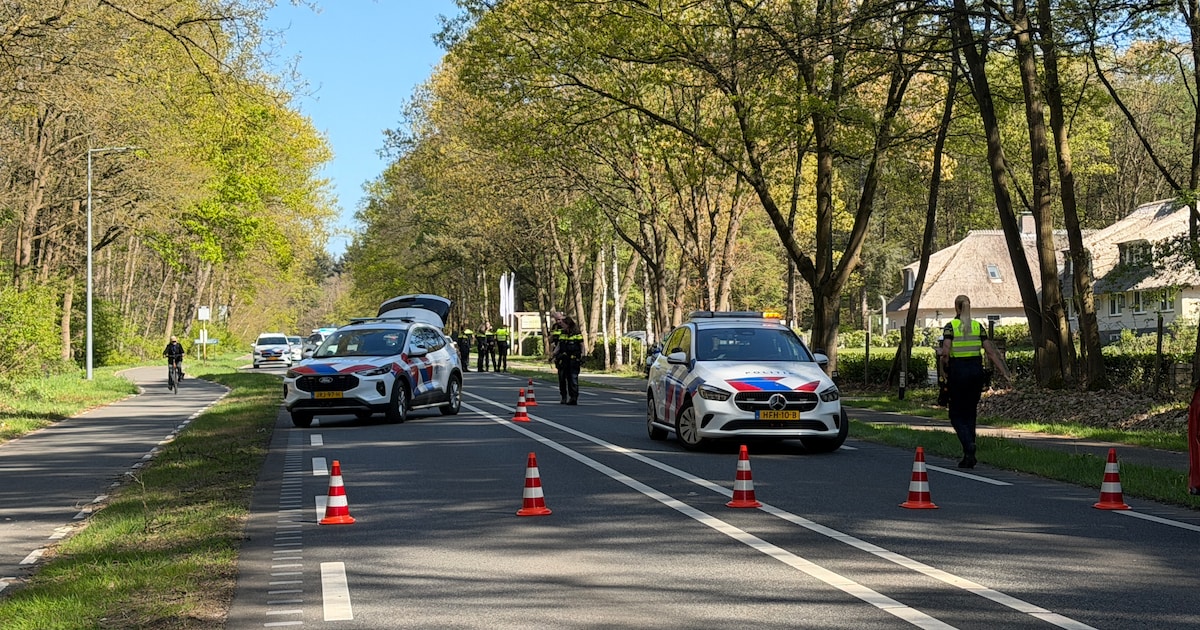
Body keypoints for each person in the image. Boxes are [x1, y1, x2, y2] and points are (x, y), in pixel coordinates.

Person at [940, 295, 1011, 468]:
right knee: (970, 413)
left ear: (956, 308)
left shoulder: (951, 327)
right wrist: (1005, 374)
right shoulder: (977, 327)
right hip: (976, 372)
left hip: (958, 373)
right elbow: (991, 352)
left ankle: (967, 444)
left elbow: (946, 351)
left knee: (956, 414)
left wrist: (943, 364)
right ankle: (969, 456)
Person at [554, 316, 584, 405]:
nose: (561, 325)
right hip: (563, 359)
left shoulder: (577, 333)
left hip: (574, 359)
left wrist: (584, 355)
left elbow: (582, 345)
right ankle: (564, 397)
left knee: (573, 378)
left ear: (567, 324)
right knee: (562, 378)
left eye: (563, 324)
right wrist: (553, 355)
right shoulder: (562, 333)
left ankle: (573, 397)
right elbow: (559, 346)